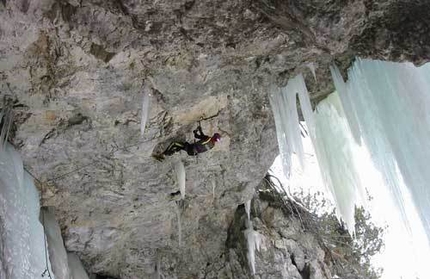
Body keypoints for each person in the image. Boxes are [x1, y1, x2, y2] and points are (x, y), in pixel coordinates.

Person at [153, 126, 221, 161]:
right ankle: (171, 152)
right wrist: (198, 131)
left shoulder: (208, 138)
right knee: (180, 146)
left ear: (213, 136)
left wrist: (198, 131)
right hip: (193, 153)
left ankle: (163, 155)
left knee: (174, 143)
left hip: (190, 148)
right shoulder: (212, 145)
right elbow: (200, 137)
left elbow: (197, 136)